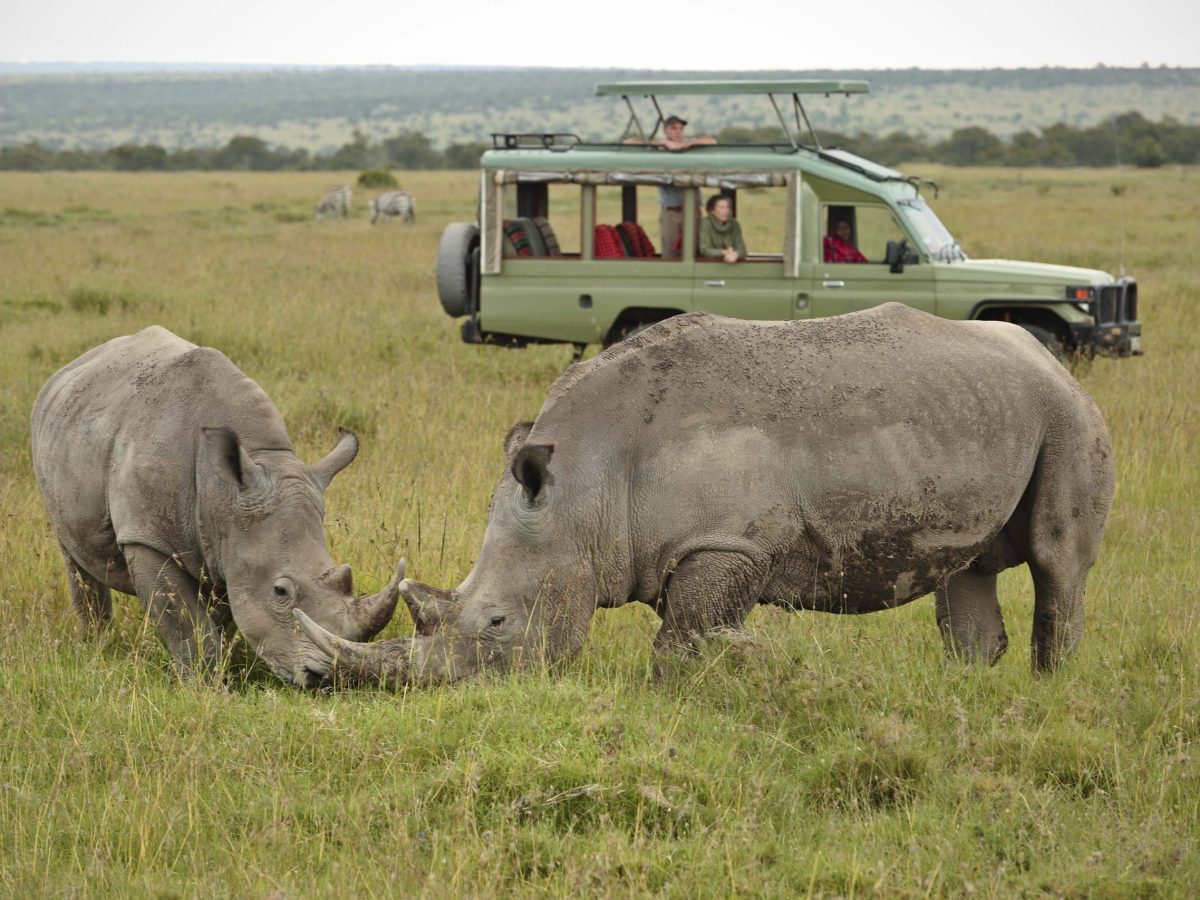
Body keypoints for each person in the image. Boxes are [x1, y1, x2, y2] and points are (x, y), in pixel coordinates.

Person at [647, 115, 716, 259]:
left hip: (692, 210)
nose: (678, 132)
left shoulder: (690, 146)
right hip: (670, 212)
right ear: (665, 131)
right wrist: (661, 144)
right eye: (673, 128)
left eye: (680, 129)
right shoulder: (659, 148)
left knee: (694, 247)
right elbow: (629, 142)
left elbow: (712, 140)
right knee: (670, 248)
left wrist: (685, 145)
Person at [698, 194, 747, 263]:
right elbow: (704, 250)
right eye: (722, 208)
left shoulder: (734, 224)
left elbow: (742, 249)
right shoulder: (705, 224)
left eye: (728, 207)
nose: (726, 211)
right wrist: (724, 252)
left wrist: (735, 255)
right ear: (712, 211)